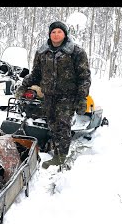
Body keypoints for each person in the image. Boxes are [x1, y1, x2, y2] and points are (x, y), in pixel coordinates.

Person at [14, 21, 91, 169]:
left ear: (65, 34)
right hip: (49, 96)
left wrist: (82, 98)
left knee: (63, 125)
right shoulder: (42, 52)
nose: (56, 35)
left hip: (67, 97)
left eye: (59, 32)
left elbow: (84, 77)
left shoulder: (76, 52)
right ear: (50, 34)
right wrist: (23, 86)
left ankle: (60, 158)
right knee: (53, 125)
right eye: (53, 32)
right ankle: (57, 152)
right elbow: (36, 74)